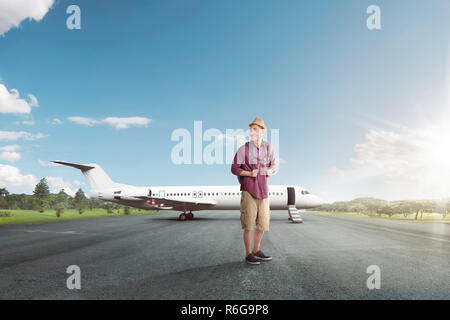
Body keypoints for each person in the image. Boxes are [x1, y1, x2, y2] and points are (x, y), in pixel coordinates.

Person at [231, 117, 277, 265]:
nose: (252, 131)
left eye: (256, 129)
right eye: (251, 129)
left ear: (263, 131)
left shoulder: (268, 148)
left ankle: (257, 250)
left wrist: (271, 171)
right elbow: (234, 168)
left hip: (264, 191)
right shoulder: (243, 149)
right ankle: (248, 254)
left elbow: (274, 165)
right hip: (249, 190)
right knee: (249, 224)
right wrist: (248, 174)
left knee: (262, 224)